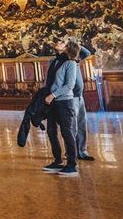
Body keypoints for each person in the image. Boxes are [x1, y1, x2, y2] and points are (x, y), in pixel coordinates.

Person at [43, 40, 81, 177]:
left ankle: (72, 165)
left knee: (67, 132)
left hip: (65, 102)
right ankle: (57, 161)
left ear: (67, 48)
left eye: (63, 42)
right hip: (51, 101)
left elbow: (69, 85)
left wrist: (52, 95)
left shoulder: (70, 63)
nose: (58, 42)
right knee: (51, 131)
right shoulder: (53, 61)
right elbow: (50, 81)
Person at [74, 44, 95, 161]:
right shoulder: (60, 61)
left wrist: (77, 44)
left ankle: (82, 151)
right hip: (70, 98)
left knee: (82, 124)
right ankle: (72, 152)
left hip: (79, 97)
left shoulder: (75, 59)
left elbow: (87, 53)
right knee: (71, 127)